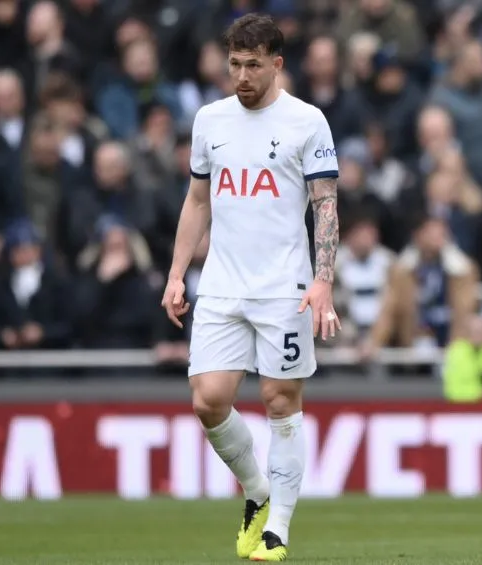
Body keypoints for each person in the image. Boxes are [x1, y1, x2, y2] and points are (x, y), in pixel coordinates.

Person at [160, 13, 341, 562]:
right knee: (208, 401)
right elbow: (197, 201)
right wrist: (175, 273)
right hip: (221, 286)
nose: (241, 75)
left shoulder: (307, 121)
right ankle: (258, 492)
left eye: (253, 65)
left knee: (279, 400)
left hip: (283, 287)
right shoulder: (210, 121)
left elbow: (325, 203)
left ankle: (277, 529)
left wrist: (323, 279)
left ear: (276, 64)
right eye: (234, 64)